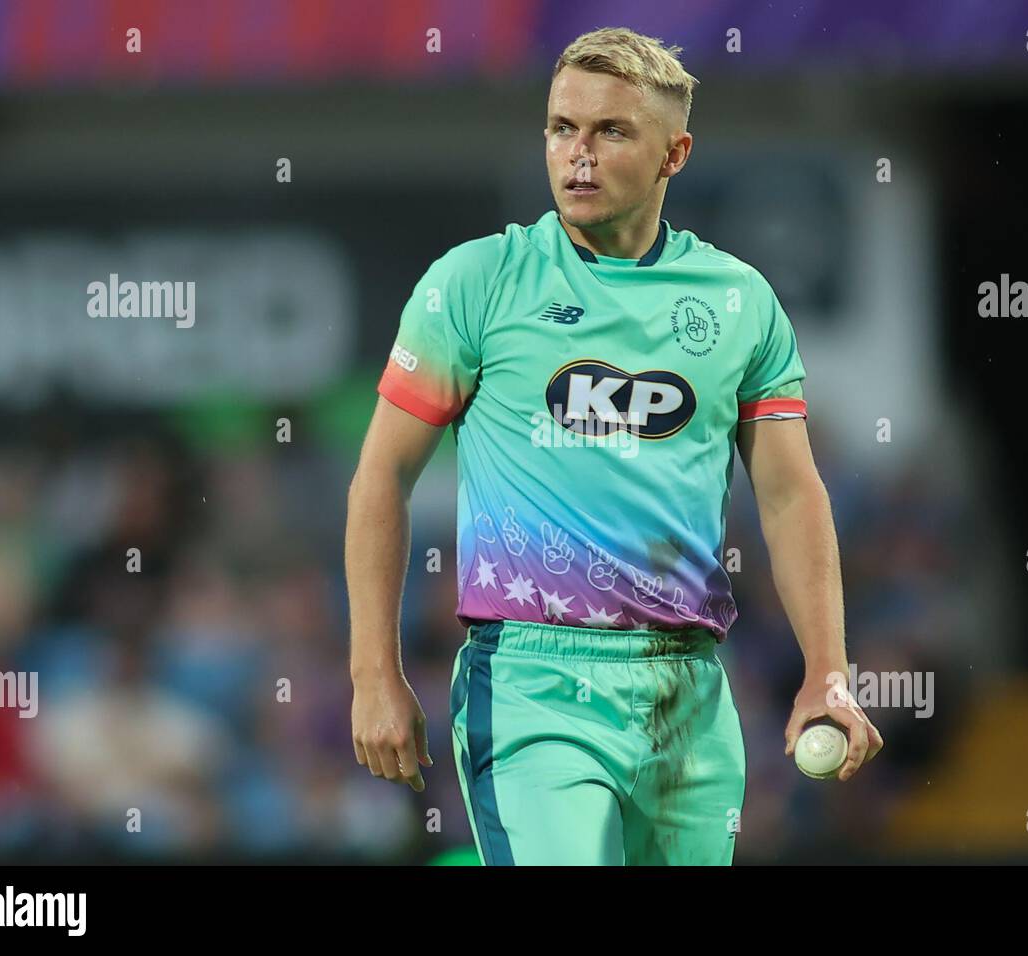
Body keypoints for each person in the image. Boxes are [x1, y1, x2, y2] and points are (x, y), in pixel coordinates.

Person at [346, 26, 882, 865]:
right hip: (530, 684)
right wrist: (373, 673)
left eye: (610, 131)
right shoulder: (479, 282)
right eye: (562, 128)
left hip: (691, 693)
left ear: (675, 153)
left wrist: (830, 670)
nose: (578, 154)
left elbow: (790, 494)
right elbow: (381, 476)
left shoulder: (739, 303)